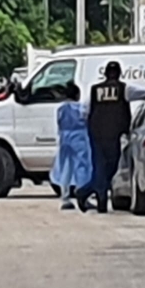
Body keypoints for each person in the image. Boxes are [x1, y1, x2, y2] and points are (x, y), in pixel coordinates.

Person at [84, 61, 145, 213]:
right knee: (110, 166)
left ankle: (85, 191)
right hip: (114, 134)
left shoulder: (95, 90)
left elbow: (85, 111)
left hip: (98, 133)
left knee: (103, 166)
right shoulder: (125, 89)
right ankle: (99, 198)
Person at [50, 82, 93, 210]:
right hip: (79, 138)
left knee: (66, 168)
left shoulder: (61, 108)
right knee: (82, 166)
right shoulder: (81, 108)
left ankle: (65, 197)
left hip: (64, 138)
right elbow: (86, 120)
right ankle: (83, 194)